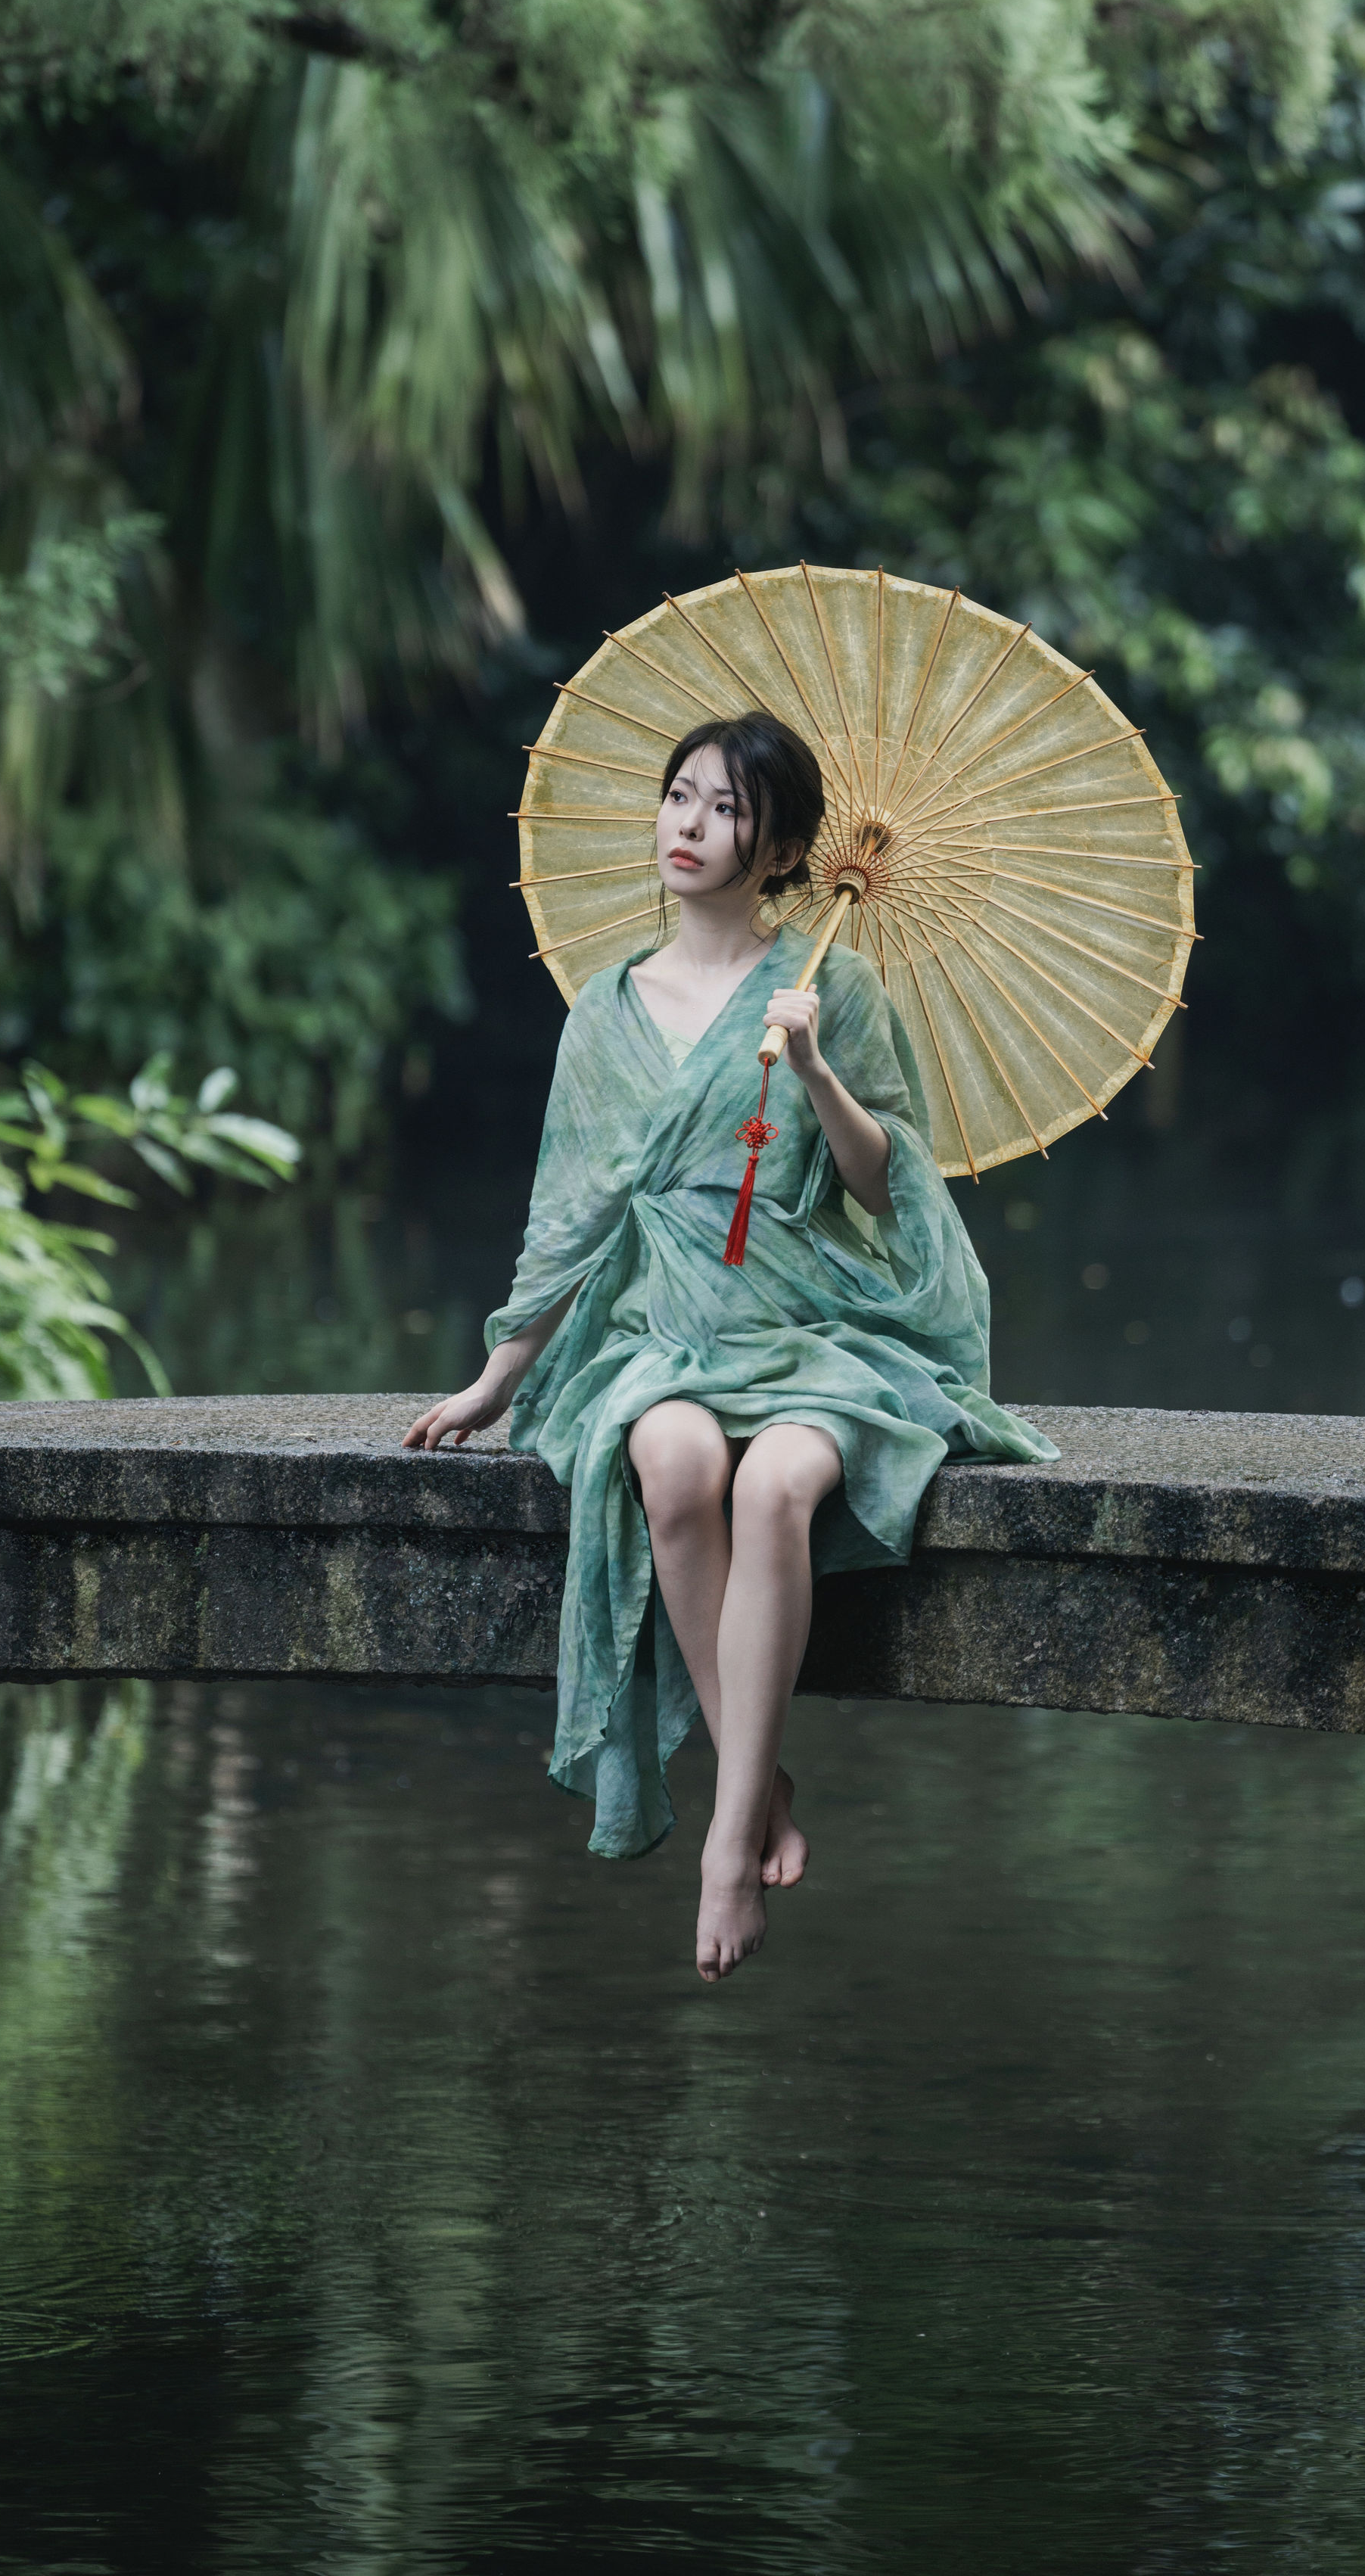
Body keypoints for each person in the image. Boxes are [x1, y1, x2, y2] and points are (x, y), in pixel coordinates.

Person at [405, 711, 1056, 1980]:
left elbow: (884, 1192)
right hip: (660, 1331)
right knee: (679, 1466)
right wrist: (498, 1378)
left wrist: (815, 1070)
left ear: (786, 852)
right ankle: (761, 1787)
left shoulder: (833, 988)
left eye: (727, 810)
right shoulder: (605, 1010)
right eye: (679, 798)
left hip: (812, 1323)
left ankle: (724, 1839)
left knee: (774, 1486)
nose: (690, 826)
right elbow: (574, 1220)